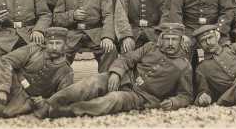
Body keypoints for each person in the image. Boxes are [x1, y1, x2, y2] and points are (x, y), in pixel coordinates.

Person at [32, 23, 192, 118]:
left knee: (112, 99)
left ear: (180, 42)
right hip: (126, 78)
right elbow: (127, 58)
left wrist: (174, 102)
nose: (170, 44)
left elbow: (186, 95)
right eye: (167, 39)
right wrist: (116, 73)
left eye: (174, 40)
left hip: (140, 96)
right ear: (161, 39)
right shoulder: (150, 47)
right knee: (91, 83)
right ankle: (49, 103)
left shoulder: (184, 66)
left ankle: (63, 111)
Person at [53, 0, 117, 73]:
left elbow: (108, 16)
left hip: (95, 33)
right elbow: (56, 18)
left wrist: (107, 36)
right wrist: (72, 16)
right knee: (57, 53)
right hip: (72, 35)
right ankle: (62, 83)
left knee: (110, 50)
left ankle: (104, 82)